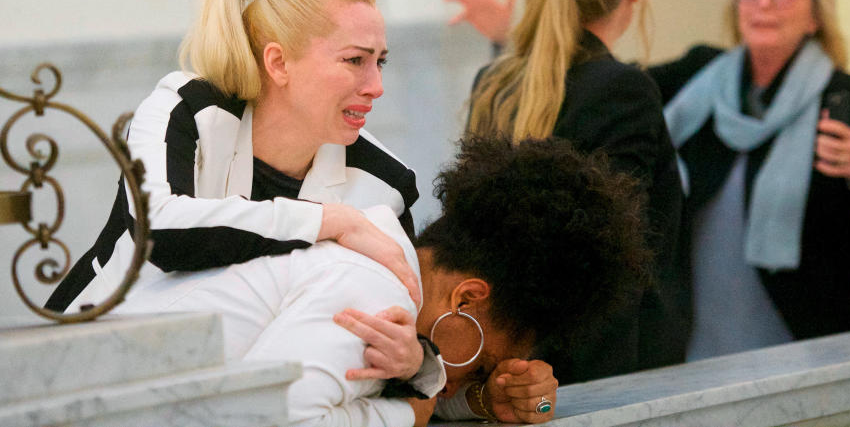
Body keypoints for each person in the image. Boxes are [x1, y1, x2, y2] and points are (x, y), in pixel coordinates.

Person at [46, 0, 435, 385]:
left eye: (381, 61)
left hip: (226, 391)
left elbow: (401, 316)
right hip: (79, 365)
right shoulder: (187, 108)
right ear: (279, 63)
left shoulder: (386, 182)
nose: (376, 85)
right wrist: (331, 222)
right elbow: (158, 231)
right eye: (355, 60)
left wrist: (415, 363)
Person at [113, 135, 650, 426]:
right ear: (467, 297)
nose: (464, 377)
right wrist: (407, 412)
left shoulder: (389, 270)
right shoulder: (373, 290)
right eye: (482, 363)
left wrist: (487, 402)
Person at [647, 0, 850, 359]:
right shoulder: (697, 80)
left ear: (815, 16)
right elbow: (619, 93)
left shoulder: (848, 99)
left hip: (811, 343)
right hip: (699, 344)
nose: (765, 2)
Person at [457, 0, 686, 383]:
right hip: (608, 377)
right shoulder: (621, 90)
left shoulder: (495, 84)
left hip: (507, 368)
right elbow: (615, 265)